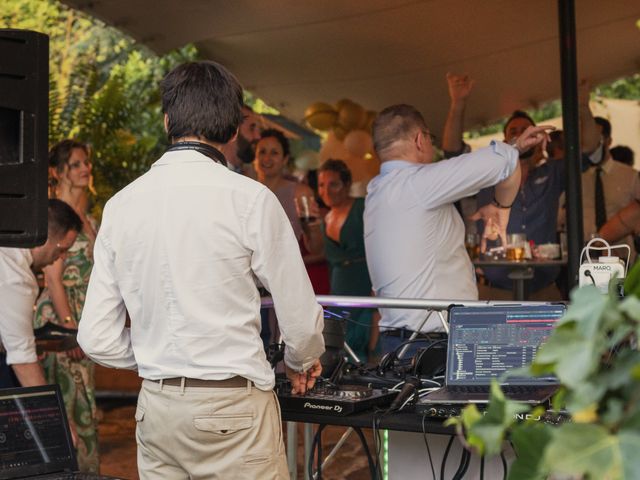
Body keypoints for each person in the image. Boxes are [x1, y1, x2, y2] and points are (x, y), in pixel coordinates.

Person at [77, 61, 324, 479]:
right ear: (232, 130)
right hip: (234, 410)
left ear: (167, 120)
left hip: (157, 409)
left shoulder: (121, 205)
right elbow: (299, 319)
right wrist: (303, 360)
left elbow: (95, 337)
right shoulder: (251, 199)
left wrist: (163, 354)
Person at [364, 103, 552, 353]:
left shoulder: (376, 191)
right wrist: (502, 204)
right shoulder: (418, 184)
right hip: (429, 343)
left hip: (402, 339)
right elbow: (503, 161)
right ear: (420, 140)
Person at [33, 139, 100, 473]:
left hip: (83, 318)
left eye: (85, 162)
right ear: (57, 172)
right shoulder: (53, 212)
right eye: (75, 164)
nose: (85, 168)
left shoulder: (86, 217)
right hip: (61, 317)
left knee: (84, 404)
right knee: (68, 409)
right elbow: (53, 277)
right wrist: (69, 329)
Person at [0, 199, 82, 388]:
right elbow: (24, 362)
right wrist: (51, 414)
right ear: (46, 238)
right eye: (63, 250)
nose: (62, 258)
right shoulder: (17, 278)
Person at [317, 159, 378, 362]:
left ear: (347, 184)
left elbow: (378, 248)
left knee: (362, 343)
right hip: (338, 288)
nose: (327, 190)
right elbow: (319, 253)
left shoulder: (362, 208)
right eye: (322, 185)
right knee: (335, 346)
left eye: (334, 184)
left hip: (363, 283)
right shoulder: (324, 218)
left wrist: (376, 291)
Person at [220, 104, 261, 178]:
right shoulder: (215, 174)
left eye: (259, 130)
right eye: (252, 128)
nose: (258, 136)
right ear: (233, 131)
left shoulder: (247, 176)